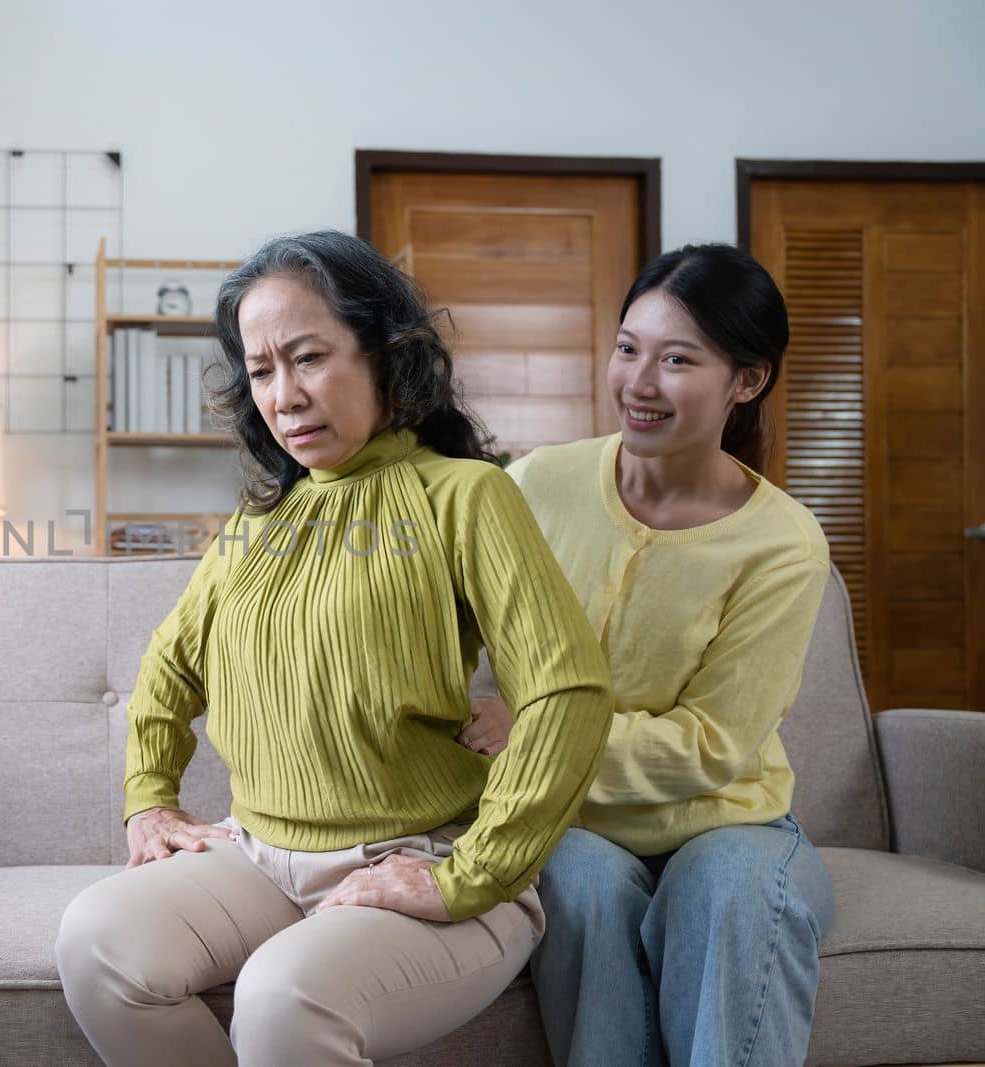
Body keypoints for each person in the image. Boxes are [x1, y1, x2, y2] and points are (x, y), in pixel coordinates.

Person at [54, 229, 615, 1067]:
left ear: (385, 352)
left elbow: (567, 695)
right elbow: (170, 667)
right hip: (259, 858)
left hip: (427, 854)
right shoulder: (255, 527)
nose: (283, 394)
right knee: (96, 939)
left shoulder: (467, 495)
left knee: (283, 1000)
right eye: (262, 369)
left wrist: (469, 875)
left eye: (308, 357)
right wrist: (149, 799)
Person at [456, 243, 836, 1067]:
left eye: (676, 359)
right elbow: (445, 629)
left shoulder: (784, 544)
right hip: (569, 816)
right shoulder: (534, 485)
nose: (639, 381)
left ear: (747, 380)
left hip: (729, 819)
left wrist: (539, 731)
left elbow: (714, 744)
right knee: (579, 880)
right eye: (628, 347)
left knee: (729, 890)